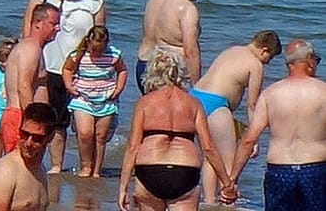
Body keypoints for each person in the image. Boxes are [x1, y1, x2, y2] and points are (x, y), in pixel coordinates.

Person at [119, 48, 236, 210]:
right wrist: (227, 183)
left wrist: (123, 187)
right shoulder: (194, 104)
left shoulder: (145, 103)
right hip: (185, 171)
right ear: (181, 72)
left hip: (149, 170)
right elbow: (208, 148)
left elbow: (133, 147)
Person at [22, 0, 106, 173]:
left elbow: (100, 35)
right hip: (50, 65)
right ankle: (56, 165)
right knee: (54, 120)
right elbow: (29, 27)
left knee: (84, 122)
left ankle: (87, 167)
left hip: (83, 70)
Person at [232, 39, 326, 211]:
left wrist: (232, 180)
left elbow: (248, 140)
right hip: (316, 169)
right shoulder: (323, 92)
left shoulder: (270, 94)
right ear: (310, 60)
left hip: (280, 171)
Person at [194, 31, 281, 203]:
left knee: (211, 156)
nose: (267, 63)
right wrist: (253, 137)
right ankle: (227, 201)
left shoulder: (232, 50)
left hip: (196, 97)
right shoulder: (255, 64)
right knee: (228, 161)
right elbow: (252, 104)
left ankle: (210, 200)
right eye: (269, 58)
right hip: (217, 105)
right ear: (264, 50)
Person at [62, 25, 126, 178]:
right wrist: (69, 86)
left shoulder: (113, 56)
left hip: (106, 100)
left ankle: (96, 169)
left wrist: (118, 89)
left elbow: (122, 71)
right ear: (88, 42)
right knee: (85, 133)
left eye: (101, 50)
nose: (97, 53)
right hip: (82, 98)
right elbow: (67, 70)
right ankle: (85, 166)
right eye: (94, 49)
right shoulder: (78, 55)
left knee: (100, 136)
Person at [138, 0, 209, 93]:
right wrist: (197, 87)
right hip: (169, 73)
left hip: (144, 65)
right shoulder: (187, 8)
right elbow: (190, 51)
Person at [4, 4, 59, 155]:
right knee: (20, 169)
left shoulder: (33, 48)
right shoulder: (30, 49)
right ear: (38, 23)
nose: (58, 28)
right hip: (22, 118)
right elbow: (23, 87)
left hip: (24, 119)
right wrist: (34, 123)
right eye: (53, 24)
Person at [0, 101, 56, 211]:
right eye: (24, 134)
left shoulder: (40, 171)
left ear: (50, 137)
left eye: (37, 138)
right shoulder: (5, 171)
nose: (28, 142)